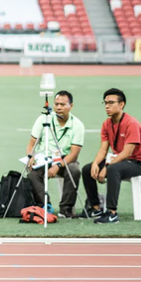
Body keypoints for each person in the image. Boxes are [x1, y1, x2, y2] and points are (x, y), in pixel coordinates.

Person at [81, 88, 141, 224]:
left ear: (121, 104)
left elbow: (127, 152)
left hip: (137, 163)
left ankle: (112, 213)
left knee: (112, 169)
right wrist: (95, 163)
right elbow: (103, 149)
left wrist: (107, 166)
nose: (107, 106)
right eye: (105, 103)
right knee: (87, 169)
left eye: (111, 103)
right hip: (117, 161)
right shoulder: (107, 124)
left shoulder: (131, 123)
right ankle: (96, 208)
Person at [24, 90, 85, 219]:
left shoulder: (77, 125)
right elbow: (31, 144)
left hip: (65, 160)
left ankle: (66, 208)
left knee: (74, 170)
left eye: (62, 104)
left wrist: (57, 165)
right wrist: (31, 157)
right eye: (56, 104)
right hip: (43, 159)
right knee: (33, 174)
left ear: (71, 106)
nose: (58, 107)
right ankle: (45, 206)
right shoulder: (43, 119)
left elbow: (74, 155)